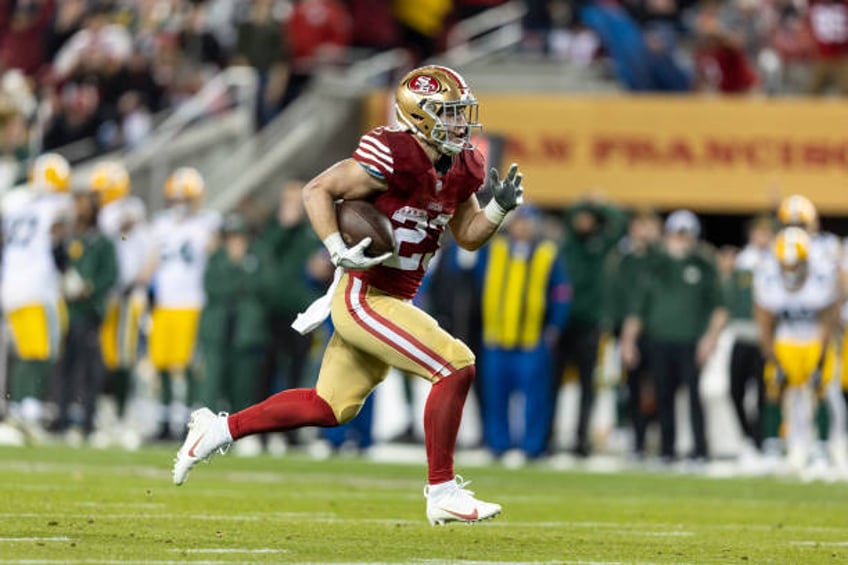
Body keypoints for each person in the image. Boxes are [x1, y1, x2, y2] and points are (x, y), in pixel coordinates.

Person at [173, 65, 524, 525]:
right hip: (365, 295)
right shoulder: (394, 154)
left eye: (461, 113)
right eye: (449, 114)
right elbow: (319, 190)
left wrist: (497, 209)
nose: (460, 124)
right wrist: (337, 249)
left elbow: (470, 235)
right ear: (419, 118)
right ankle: (441, 490)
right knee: (456, 365)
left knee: (329, 407)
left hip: (394, 300)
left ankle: (217, 429)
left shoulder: (462, 168)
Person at [620, 210, 728, 462]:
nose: (681, 239)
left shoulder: (703, 265)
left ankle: (699, 450)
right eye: (677, 234)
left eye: (685, 234)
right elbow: (637, 308)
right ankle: (667, 450)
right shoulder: (654, 265)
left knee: (694, 397)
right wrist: (628, 341)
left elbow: (720, 309)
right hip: (659, 340)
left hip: (692, 342)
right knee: (662, 395)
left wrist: (709, 340)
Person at [478, 205, 570, 463]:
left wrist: (554, 327)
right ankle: (498, 444)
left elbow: (561, 293)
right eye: (519, 222)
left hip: (531, 338)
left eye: (528, 222)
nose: (523, 227)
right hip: (496, 337)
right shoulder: (494, 250)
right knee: (495, 395)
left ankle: (532, 446)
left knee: (535, 398)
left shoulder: (547, 253)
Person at [754, 227, 842, 472]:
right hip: (785, 339)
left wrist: (822, 356)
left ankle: (822, 450)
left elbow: (829, 317)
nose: (791, 270)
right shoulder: (768, 276)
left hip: (815, 338)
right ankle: (774, 449)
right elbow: (763, 322)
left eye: (795, 265)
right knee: (775, 387)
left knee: (820, 389)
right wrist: (773, 358)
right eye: (786, 265)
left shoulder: (821, 276)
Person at [145, 167, 220, 440]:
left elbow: (214, 249)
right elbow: (153, 260)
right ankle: (164, 421)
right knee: (162, 363)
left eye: (185, 199)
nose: (180, 205)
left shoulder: (207, 223)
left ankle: (188, 421)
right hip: (164, 302)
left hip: (192, 302)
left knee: (187, 365)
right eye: (176, 199)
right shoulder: (161, 223)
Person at [1, 153, 73, 437]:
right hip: (35, 285)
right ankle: (24, 410)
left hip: (10, 285)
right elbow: (60, 235)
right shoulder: (55, 205)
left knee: (24, 351)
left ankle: (20, 409)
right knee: (40, 352)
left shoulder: (15, 201)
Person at [555, 195, 627, 457]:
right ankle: (548, 437)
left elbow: (621, 224)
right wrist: (584, 201)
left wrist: (600, 204)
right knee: (553, 384)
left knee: (588, 385)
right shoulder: (567, 244)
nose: (583, 221)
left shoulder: (600, 244)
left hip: (590, 325)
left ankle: (580, 439)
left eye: (588, 217)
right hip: (564, 323)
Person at [197, 213, 271, 456]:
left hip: (246, 332)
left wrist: (237, 277)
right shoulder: (217, 258)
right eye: (230, 237)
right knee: (212, 383)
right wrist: (239, 277)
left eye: (238, 236)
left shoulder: (259, 255)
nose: (235, 242)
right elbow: (212, 287)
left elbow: (267, 285)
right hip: (218, 330)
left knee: (244, 386)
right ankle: (205, 433)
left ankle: (244, 434)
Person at [50, 176, 118, 439]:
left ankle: (87, 421)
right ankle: (62, 419)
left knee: (88, 368)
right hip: (67, 310)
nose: (78, 209)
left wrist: (91, 288)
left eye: (83, 204)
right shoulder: (69, 237)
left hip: (89, 311)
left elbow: (111, 274)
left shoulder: (101, 241)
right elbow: (59, 262)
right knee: (64, 366)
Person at [91, 161, 150, 428]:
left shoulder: (125, 208)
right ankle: (112, 410)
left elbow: (128, 221)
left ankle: (123, 414)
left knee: (124, 355)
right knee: (109, 355)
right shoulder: (113, 212)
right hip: (114, 293)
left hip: (129, 293)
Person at [604, 208, 661, 458]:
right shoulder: (622, 259)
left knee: (659, 387)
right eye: (641, 226)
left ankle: (658, 439)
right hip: (626, 331)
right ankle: (635, 438)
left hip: (657, 332)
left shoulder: (660, 259)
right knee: (631, 385)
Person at [724, 216, 773, 458]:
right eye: (758, 233)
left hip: (765, 338)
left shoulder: (776, 261)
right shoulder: (744, 262)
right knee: (735, 390)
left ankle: (760, 442)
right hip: (742, 334)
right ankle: (747, 437)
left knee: (762, 394)